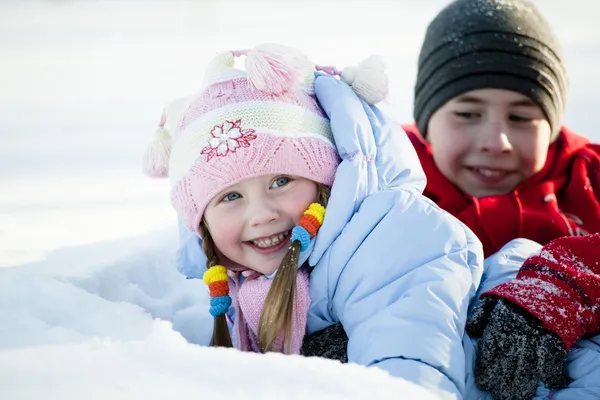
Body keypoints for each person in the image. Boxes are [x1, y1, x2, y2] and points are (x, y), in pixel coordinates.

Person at [146, 43, 483, 399]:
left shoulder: (385, 238)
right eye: (231, 197)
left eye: (282, 181)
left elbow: (410, 368)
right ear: (202, 222)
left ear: (326, 181)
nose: (262, 214)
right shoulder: (235, 283)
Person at [403, 0, 600, 398]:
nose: (497, 142)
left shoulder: (590, 178)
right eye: (468, 114)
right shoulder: (380, 183)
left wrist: (573, 281)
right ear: (427, 120)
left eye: (522, 117)